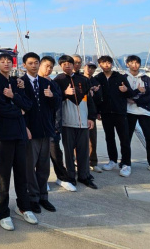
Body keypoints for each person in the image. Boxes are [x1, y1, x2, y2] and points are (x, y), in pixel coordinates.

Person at [0, 53, 38, 230]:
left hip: (20, 134)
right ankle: (1, 211)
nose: (6, 64)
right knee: (2, 176)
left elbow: (28, 104)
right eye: (2, 61)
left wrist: (14, 97)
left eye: (9, 61)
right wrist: (19, 110)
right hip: (4, 135)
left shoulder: (17, 82)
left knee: (22, 172)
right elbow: (1, 109)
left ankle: (23, 206)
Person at [21, 52, 58, 213]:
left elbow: (56, 104)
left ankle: (44, 196)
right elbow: (20, 107)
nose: (34, 65)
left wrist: (51, 96)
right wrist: (25, 128)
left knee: (44, 167)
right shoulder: (20, 83)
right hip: (31, 131)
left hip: (46, 130)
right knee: (30, 167)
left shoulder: (46, 82)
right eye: (30, 63)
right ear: (24, 65)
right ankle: (33, 198)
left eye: (36, 62)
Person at [54, 55, 97, 189]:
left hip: (83, 122)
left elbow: (89, 100)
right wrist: (65, 93)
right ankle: (71, 177)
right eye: (64, 63)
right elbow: (54, 100)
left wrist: (91, 118)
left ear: (74, 65)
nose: (67, 65)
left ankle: (84, 176)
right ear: (60, 66)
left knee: (83, 151)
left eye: (69, 63)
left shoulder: (83, 80)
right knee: (68, 151)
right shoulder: (58, 80)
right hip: (67, 122)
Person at [94, 55, 134, 177]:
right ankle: (112, 160)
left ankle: (126, 164)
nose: (106, 65)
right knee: (109, 138)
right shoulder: (98, 78)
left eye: (108, 63)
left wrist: (125, 90)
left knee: (124, 139)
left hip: (120, 112)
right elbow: (96, 98)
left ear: (111, 64)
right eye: (103, 63)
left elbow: (131, 93)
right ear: (100, 65)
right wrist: (98, 112)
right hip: (106, 113)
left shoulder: (120, 77)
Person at [41, 56, 75, 192]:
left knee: (56, 153)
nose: (48, 69)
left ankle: (62, 177)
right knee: (39, 157)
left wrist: (57, 125)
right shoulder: (33, 82)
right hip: (37, 126)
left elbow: (58, 105)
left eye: (51, 67)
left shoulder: (53, 83)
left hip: (52, 125)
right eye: (46, 66)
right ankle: (42, 180)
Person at [83, 62, 102, 173]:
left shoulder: (95, 81)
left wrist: (96, 92)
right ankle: (78, 162)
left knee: (92, 139)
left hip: (91, 113)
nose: (90, 70)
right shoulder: (79, 78)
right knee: (79, 140)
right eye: (89, 67)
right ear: (84, 67)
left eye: (93, 68)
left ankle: (93, 162)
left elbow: (100, 98)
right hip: (79, 113)